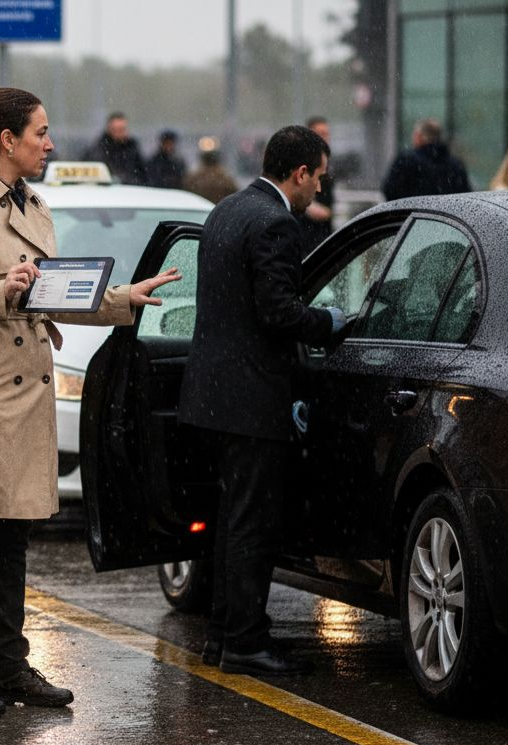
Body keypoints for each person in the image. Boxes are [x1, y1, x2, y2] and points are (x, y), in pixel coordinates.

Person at [0, 87, 180, 718]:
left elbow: (50, 294)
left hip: (22, 389)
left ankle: (7, 667)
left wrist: (122, 299)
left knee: (10, 539)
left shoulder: (33, 205)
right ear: (8, 140)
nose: (50, 144)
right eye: (41, 133)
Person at [177, 125, 345, 677]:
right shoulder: (276, 223)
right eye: (317, 178)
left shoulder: (226, 210)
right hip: (252, 400)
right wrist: (332, 322)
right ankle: (245, 641)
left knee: (230, 520)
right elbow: (279, 313)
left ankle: (224, 635)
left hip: (212, 395)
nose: (318, 190)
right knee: (253, 525)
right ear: (299, 174)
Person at [382, 118, 471, 200]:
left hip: (414, 213)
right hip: (446, 216)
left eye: (415, 134)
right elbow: (464, 195)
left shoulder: (406, 160)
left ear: (419, 136)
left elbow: (390, 190)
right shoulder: (456, 164)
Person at [298, 117, 336, 252]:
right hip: (306, 239)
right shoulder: (303, 165)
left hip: (322, 238)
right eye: (321, 134)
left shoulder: (328, 169)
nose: (325, 138)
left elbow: (327, 209)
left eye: (327, 134)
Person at [82, 111, 147, 185]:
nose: (120, 133)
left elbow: (142, 173)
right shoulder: (98, 150)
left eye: (123, 129)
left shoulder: (132, 148)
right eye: (117, 129)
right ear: (109, 129)